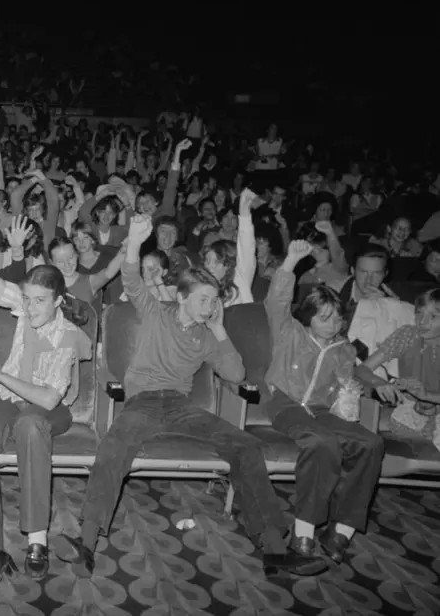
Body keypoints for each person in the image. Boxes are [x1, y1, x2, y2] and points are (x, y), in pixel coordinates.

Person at [55, 214, 328, 578]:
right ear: (182, 297)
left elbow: (236, 374)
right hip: (144, 402)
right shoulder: (157, 312)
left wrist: (219, 330)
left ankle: (275, 549)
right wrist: (135, 241)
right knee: (114, 444)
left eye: (214, 300)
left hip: (183, 407)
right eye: (204, 300)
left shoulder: (207, 334)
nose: (211, 306)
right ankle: (86, 542)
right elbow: (133, 281)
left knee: (245, 446)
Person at [0, 209, 92, 590]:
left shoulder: (68, 336)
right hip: (10, 401)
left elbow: (46, 399)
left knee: (30, 425)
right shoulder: (26, 308)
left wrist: (1, 375)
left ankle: (37, 541)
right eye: (26, 300)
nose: (29, 308)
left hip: (50, 410)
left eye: (39, 301)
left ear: (59, 301)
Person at [262, 239, 386, 564]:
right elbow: (276, 300)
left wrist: (361, 390)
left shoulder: (342, 348)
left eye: (337, 319)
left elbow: (355, 377)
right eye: (324, 318)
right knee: (322, 442)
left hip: (319, 410)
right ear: (308, 316)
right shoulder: (290, 332)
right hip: (284, 402)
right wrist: (289, 261)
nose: (333, 325)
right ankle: (303, 532)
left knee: (371, 444)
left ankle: (341, 530)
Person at [360, 288, 440, 454]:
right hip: (410, 409)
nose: (422, 322)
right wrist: (380, 383)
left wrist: (427, 397)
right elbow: (362, 369)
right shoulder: (407, 335)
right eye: (419, 314)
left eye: (433, 316)